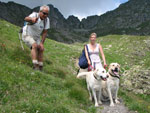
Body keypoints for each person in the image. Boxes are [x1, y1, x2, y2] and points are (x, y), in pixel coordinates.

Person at [22, 5, 50, 70]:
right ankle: (35, 66)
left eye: (47, 14)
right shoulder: (34, 15)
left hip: (36, 37)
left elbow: (45, 32)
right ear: (40, 12)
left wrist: (42, 43)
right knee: (34, 46)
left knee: (41, 49)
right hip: (27, 34)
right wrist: (32, 19)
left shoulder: (47, 20)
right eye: (44, 13)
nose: (45, 15)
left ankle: (40, 67)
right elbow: (26, 18)